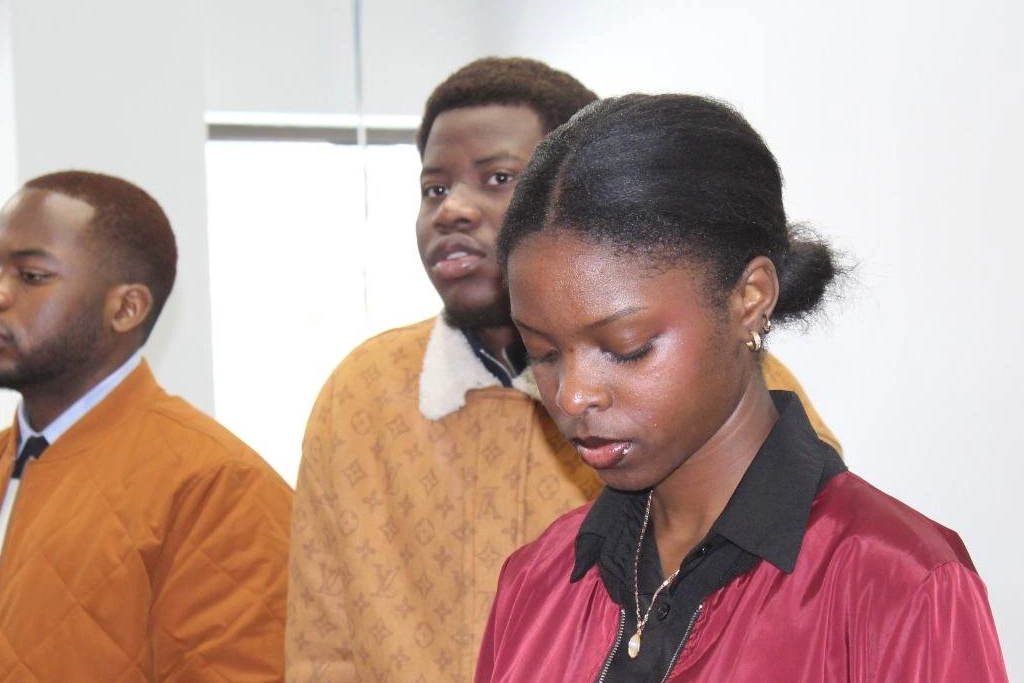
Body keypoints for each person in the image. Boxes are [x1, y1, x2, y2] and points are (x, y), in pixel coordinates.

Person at [287, 59, 839, 683]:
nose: (454, 210)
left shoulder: (735, 394)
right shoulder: (360, 393)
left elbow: (812, 597)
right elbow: (321, 645)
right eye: (434, 188)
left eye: (499, 179)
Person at [474, 94, 1008, 682]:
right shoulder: (535, 582)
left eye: (627, 347)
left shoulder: (900, 585)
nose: (573, 396)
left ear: (750, 299)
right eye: (543, 352)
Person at [0, 171, 292, 682]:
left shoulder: (217, 485)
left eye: (32, 276)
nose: (2, 293)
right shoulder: (14, 453)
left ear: (126, 308)